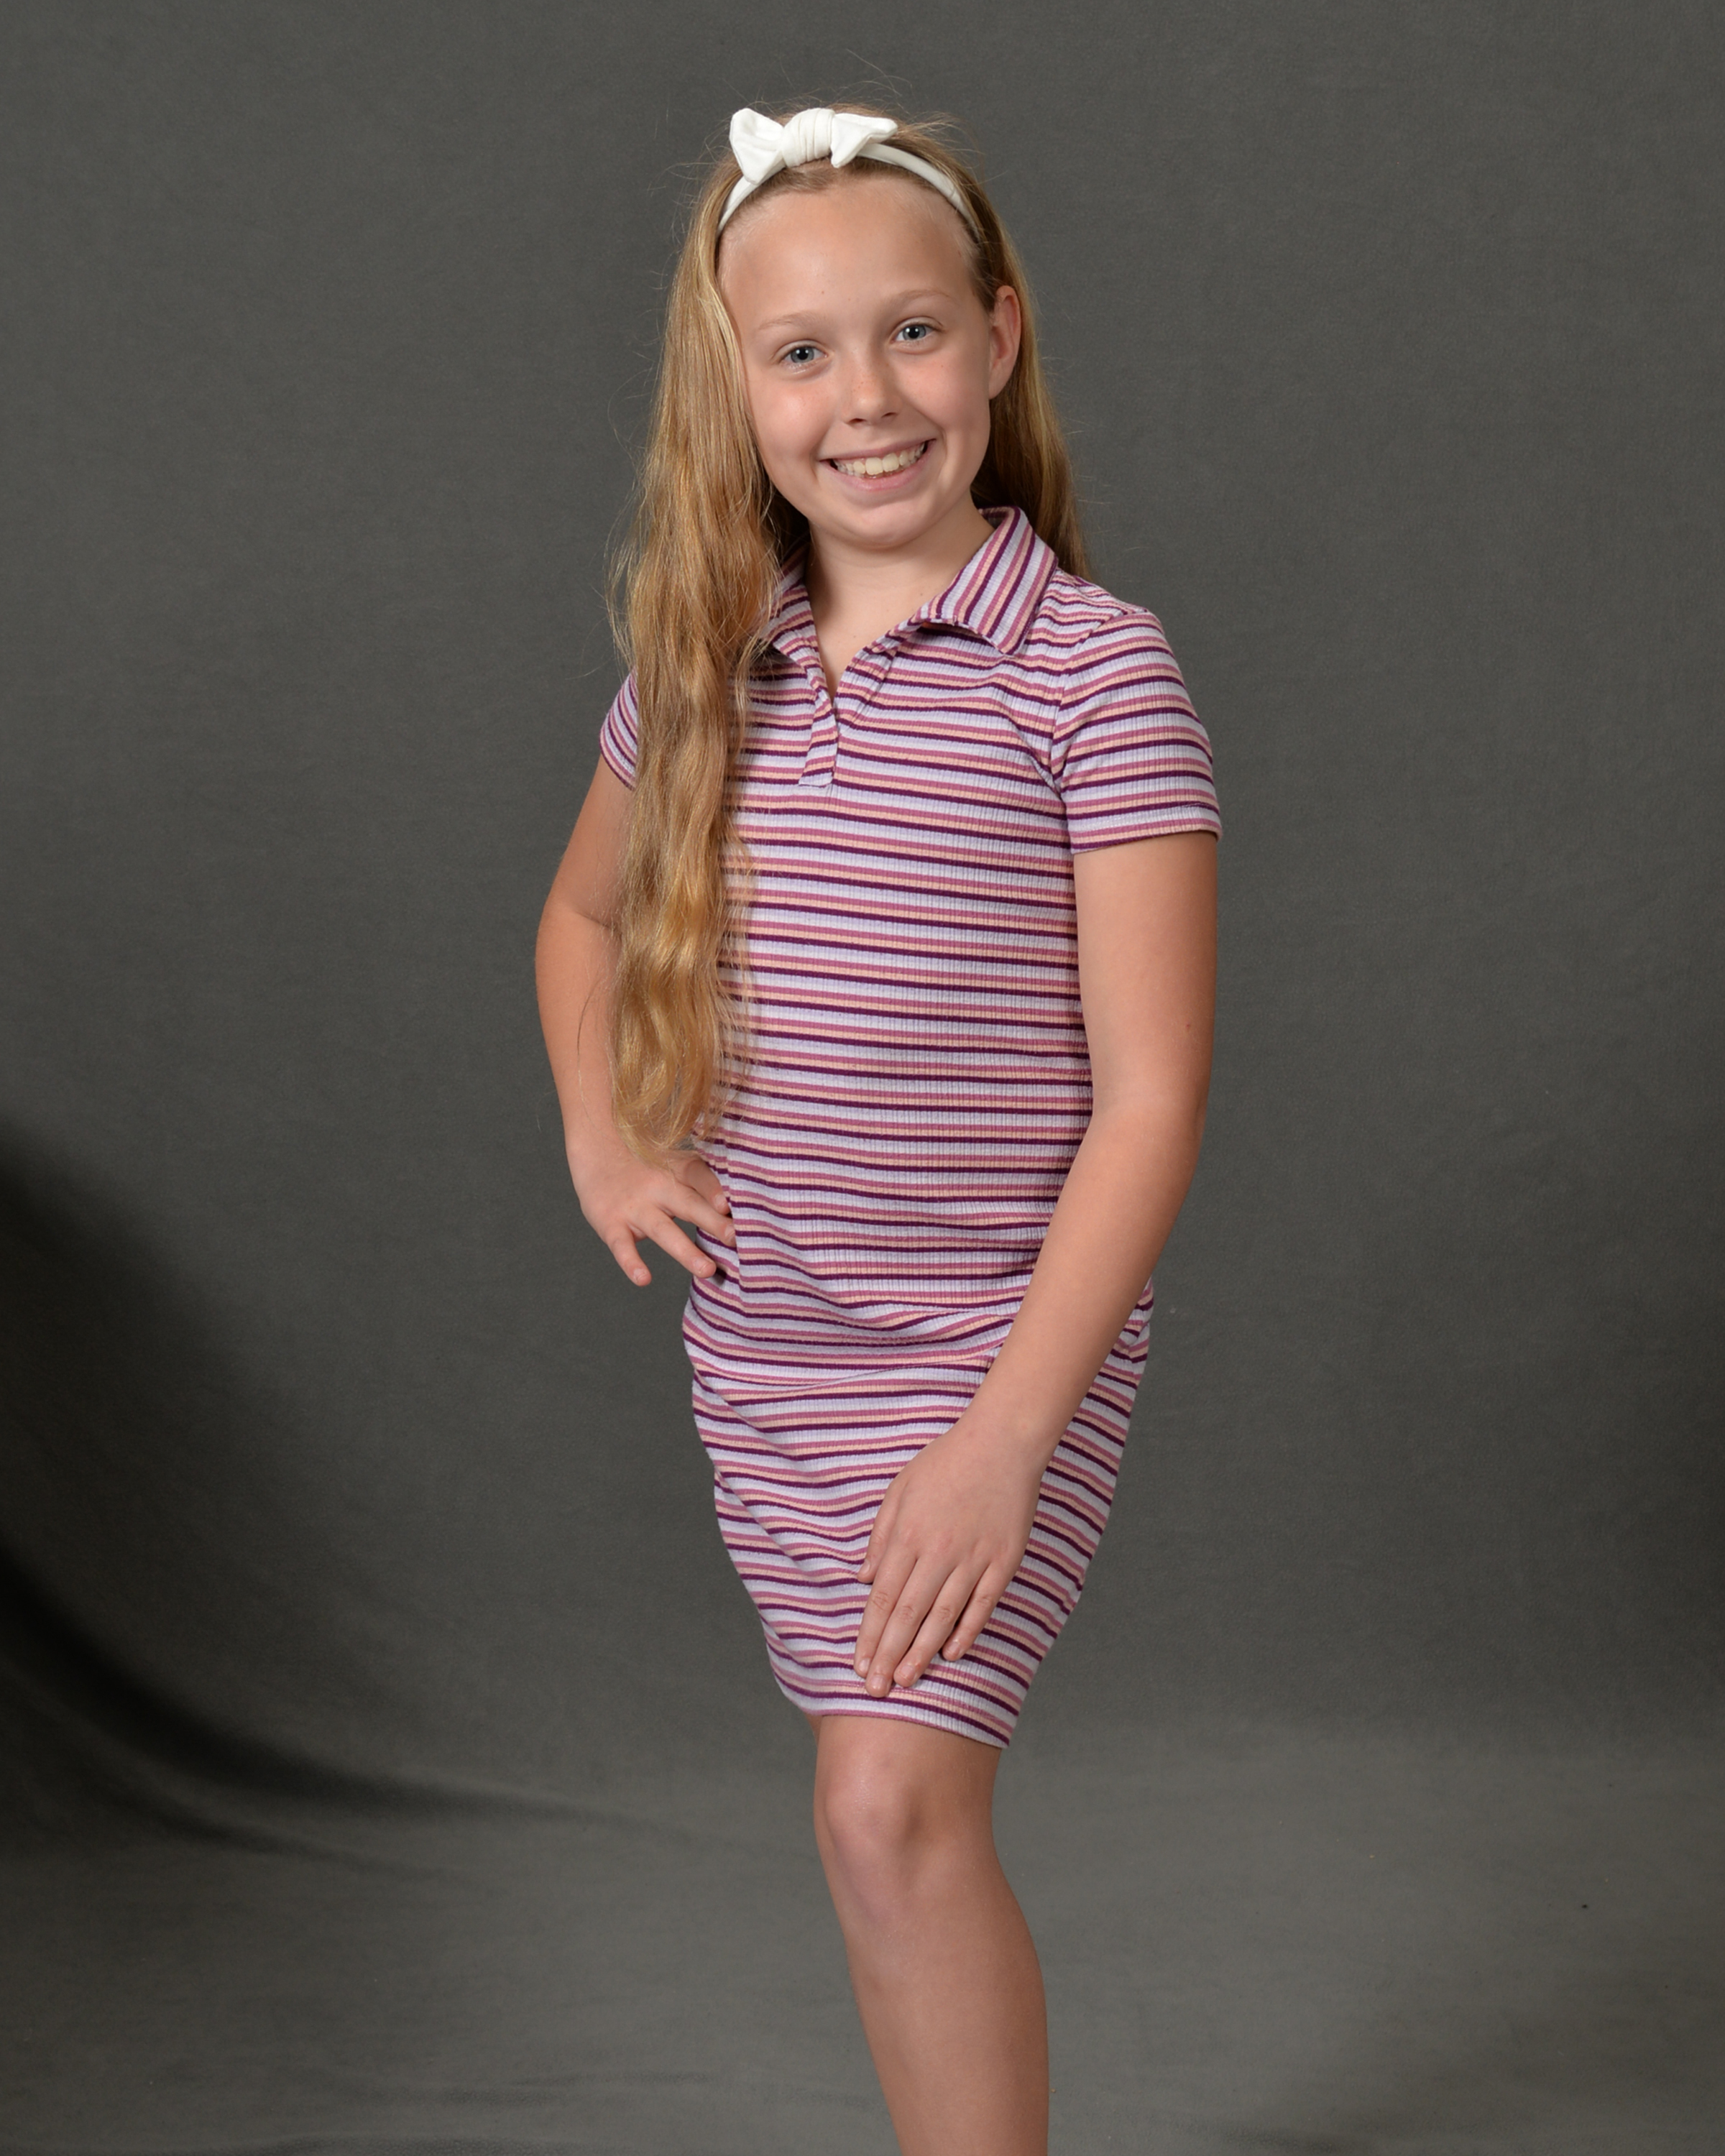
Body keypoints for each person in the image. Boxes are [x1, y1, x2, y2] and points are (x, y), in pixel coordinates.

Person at [535, 100, 1220, 2156]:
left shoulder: (1094, 680)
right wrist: (604, 1138)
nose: (868, 398)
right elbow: (582, 922)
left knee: (886, 1802)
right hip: (779, 1350)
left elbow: (1153, 1102)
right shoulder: (705, 672)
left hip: (999, 1346)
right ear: (735, 389)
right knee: (873, 1832)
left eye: (914, 333)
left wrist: (1005, 1439)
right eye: (804, 352)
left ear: (999, 338)